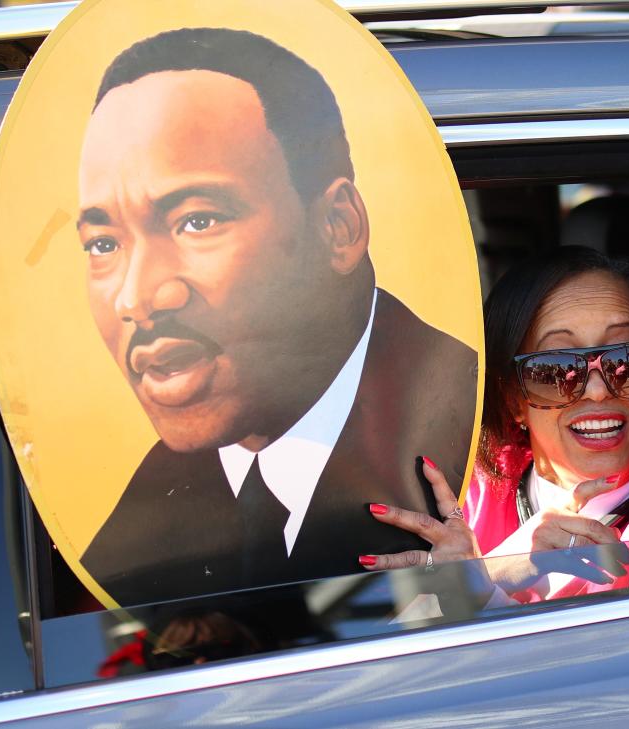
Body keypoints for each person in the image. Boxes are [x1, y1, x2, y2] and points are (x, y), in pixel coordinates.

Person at [77, 27, 478, 607]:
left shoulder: (483, 429)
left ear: (338, 228)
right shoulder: (132, 531)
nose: (136, 298)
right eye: (103, 245)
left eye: (197, 221)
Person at [360, 246, 629, 603]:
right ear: (513, 399)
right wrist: (497, 569)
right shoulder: (462, 492)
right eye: (556, 370)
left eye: (627, 362)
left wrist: (479, 595)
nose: (599, 391)